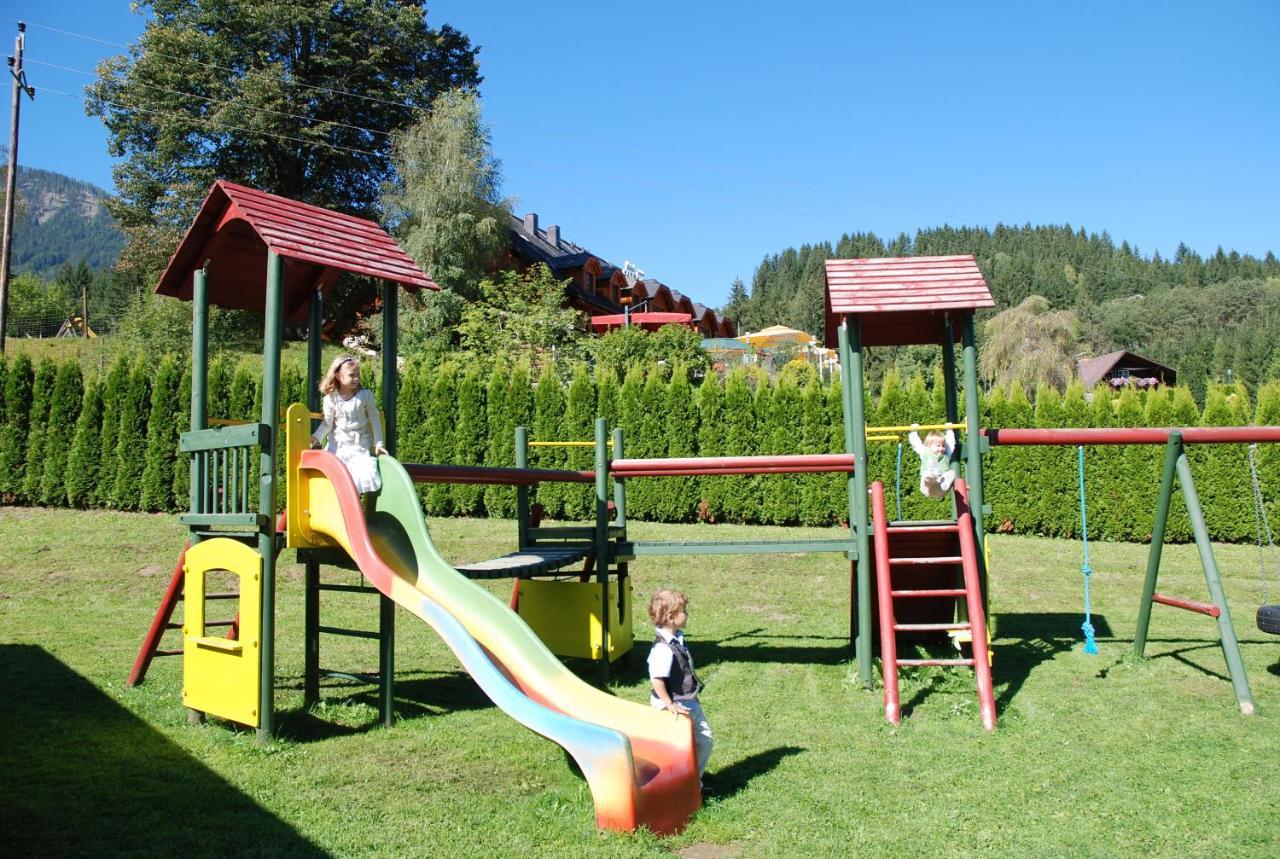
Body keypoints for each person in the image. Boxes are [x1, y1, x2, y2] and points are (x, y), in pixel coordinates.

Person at [647, 589, 714, 792]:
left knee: (704, 741)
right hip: (674, 704)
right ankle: (677, 787)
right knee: (678, 748)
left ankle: (693, 781)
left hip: (688, 700)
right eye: (684, 610)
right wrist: (669, 704)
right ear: (671, 617)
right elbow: (657, 679)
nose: (687, 614)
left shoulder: (677, 638)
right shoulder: (662, 649)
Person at [311, 355, 387, 493]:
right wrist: (316, 438)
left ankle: (352, 509)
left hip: (358, 445)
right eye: (352, 375)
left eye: (357, 375)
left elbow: (374, 419)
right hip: (338, 445)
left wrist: (379, 443)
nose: (356, 378)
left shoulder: (365, 396)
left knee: (359, 477)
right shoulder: (331, 399)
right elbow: (327, 424)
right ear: (339, 376)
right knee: (336, 478)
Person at [907, 424, 956, 500]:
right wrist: (913, 431)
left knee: (951, 473)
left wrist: (949, 431)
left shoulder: (946, 455)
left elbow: (951, 443)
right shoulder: (925, 452)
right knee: (928, 475)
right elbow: (916, 444)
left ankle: (944, 481)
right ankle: (934, 472)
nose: (941, 448)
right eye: (938, 445)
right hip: (928, 487)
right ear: (928, 446)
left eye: (943, 445)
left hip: (940, 487)